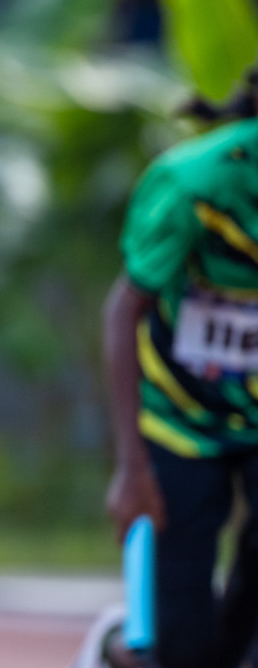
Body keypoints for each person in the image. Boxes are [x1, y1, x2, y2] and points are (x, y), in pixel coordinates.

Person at [101, 73, 258, 668]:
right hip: (181, 418)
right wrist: (131, 466)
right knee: (180, 647)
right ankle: (123, 651)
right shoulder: (194, 184)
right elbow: (122, 313)